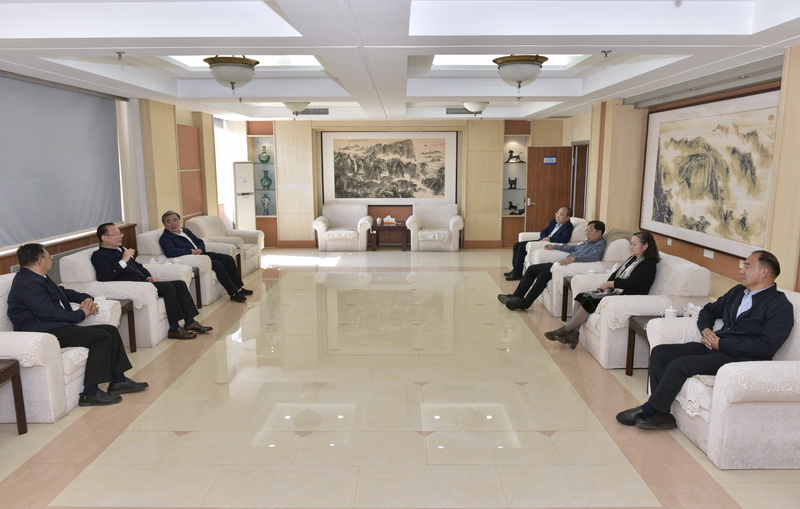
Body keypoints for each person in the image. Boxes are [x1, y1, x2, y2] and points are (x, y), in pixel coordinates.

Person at [616, 250, 793, 430]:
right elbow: (709, 310)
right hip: (714, 347)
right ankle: (662, 414)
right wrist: (706, 328)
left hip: (740, 359)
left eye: (747, 266)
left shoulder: (780, 306)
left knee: (680, 365)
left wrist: (722, 344)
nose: (742, 270)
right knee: (661, 352)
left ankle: (649, 409)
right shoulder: (739, 291)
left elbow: (766, 346)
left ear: (764, 272)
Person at [7, 244, 148, 406]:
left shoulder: (38, 276)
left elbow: (61, 292)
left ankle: (118, 381)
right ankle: (90, 393)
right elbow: (47, 313)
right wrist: (80, 314)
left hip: (54, 327)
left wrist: (86, 298)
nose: (50, 260)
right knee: (101, 337)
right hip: (43, 333)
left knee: (110, 330)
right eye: (49, 257)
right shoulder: (26, 283)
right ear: (40, 260)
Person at [92, 223, 212, 340]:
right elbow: (104, 276)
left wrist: (148, 277)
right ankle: (174, 329)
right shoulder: (99, 255)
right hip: (134, 287)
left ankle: (190, 322)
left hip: (145, 283)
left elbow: (138, 266)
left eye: (120, 234)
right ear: (104, 238)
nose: (119, 237)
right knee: (168, 287)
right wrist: (124, 260)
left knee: (180, 284)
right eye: (115, 234)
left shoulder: (121, 249)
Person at [545, 231, 660, 349]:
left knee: (590, 300)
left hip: (627, 296)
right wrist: (608, 286)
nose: (631, 247)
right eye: (630, 244)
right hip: (616, 290)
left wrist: (609, 284)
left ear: (645, 246)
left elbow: (631, 282)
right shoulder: (632, 259)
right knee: (581, 296)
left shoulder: (648, 264)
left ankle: (565, 330)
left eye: (634, 244)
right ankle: (574, 334)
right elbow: (615, 274)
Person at [499, 221, 606, 312]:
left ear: (599, 232)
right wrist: (555, 246)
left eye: (590, 230)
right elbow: (572, 248)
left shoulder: (599, 244)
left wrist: (574, 258)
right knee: (532, 269)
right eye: (586, 230)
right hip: (560, 264)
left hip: (567, 268)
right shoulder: (587, 242)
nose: (587, 233)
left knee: (542, 276)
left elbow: (595, 257)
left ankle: (524, 304)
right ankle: (517, 296)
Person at [158, 211, 252, 303]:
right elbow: (170, 252)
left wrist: (200, 249)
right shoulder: (165, 238)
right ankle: (233, 293)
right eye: (168, 221)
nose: (173, 224)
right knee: (218, 265)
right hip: (193, 259)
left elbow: (199, 241)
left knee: (228, 259)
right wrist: (191, 251)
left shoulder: (185, 230)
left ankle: (239, 288)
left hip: (201, 254)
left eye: (175, 220)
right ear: (164, 224)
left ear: (179, 220)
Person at [505, 206, 574, 281]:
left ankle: (517, 274)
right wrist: (544, 238)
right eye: (557, 213)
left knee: (522, 248)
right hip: (542, 241)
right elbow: (544, 231)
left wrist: (550, 239)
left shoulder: (568, 226)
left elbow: (565, 239)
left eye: (561, 215)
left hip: (548, 244)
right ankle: (515, 269)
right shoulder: (554, 222)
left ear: (567, 218)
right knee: (516, 245)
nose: (557, 216)